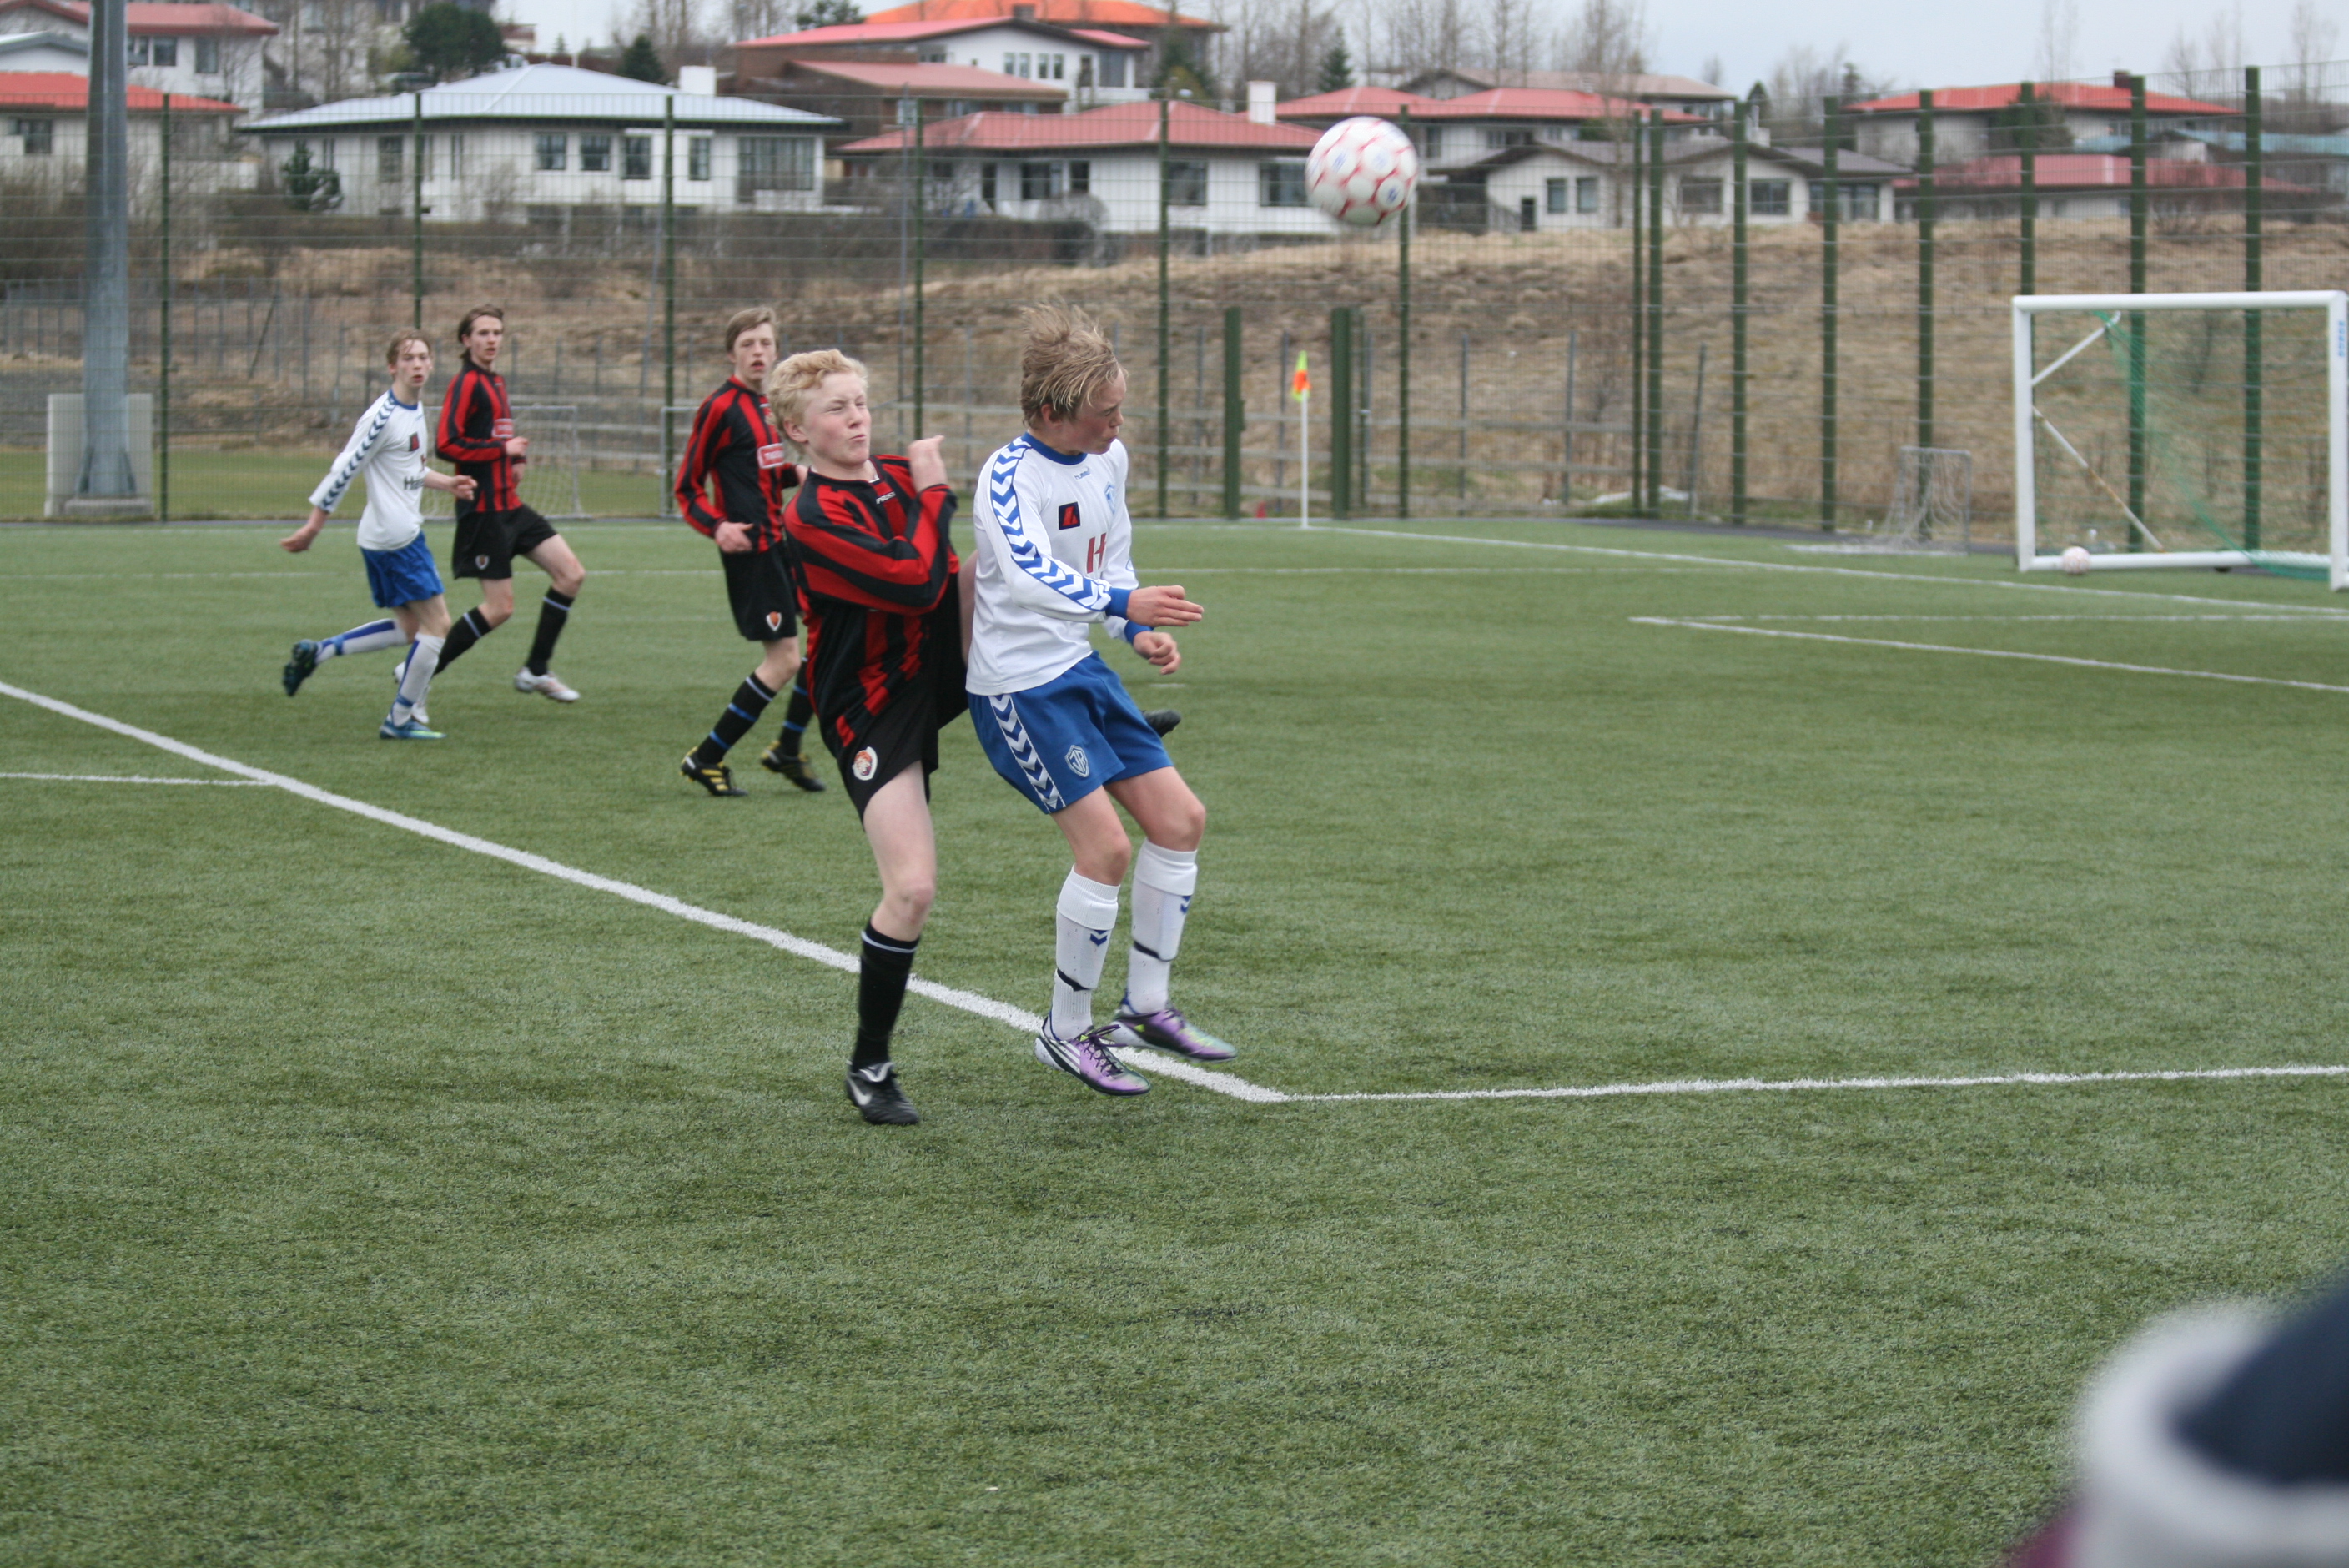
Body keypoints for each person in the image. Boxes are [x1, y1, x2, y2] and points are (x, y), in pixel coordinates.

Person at [966, 306, 1231, 1099]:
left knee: (1181, 820)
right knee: (1106, 850)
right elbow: (1027, 578)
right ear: (1054, 411)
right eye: (1105, 412)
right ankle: (1064, 1029)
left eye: (1120, 408)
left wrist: (1134, 629)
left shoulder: (1107, 460)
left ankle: (1146, 1006)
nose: (1118, 424)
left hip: (1079, 669)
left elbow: (1112, 562)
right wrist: (1122, 603)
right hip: (1019, 687)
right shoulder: (1009, 476)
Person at [772, 349, 963, 1127]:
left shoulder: (893, 475)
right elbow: (915, 581)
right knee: (912, 890)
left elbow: (947, 574)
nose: (857, 419)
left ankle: (1092, 711)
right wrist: (938, 492)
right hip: (871, 705)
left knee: (995, 574)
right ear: (798, 430)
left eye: (861, 403)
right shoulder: (811, 515)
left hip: (938, 671)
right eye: (837, 408)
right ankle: (869, 1063)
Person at [279, 329, 477, 740]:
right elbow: (344, 469)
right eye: (408, 358)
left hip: (383, 536)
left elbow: (408, 469)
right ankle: (400, 719)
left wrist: (448, 483)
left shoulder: (414, 408)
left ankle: (320, 652)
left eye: (423, 357)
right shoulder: (382, 417)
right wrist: (314, 525)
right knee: (438, 625)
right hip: (397, 539)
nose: (417, 365)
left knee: (410, 629)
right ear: (392, 367)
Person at [672, 305, 827, 797]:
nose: (758, 352)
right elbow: (687, 486)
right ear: (731, 354)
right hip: (751, 552)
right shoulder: (719, 407)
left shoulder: (766, 406)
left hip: (779, 544)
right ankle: (706, 757)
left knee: (825, 639)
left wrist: (795, 473)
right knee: (783, 662)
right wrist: (717, 527)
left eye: (765, 343)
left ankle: (787, 748)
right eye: (747, 345)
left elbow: (758, 472)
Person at [431, 304, 587, 703]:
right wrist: (502, 450)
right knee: (499, 608)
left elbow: (501, 434)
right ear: (466, 340)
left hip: (511, 506)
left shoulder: (496, 381)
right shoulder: (466, 383)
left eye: (497, 333)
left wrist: (516, 458)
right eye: (483, 333)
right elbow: (447, 443)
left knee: (571, 574)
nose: (492, 340)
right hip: (484, 511)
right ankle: (420, 672)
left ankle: (536, 670)